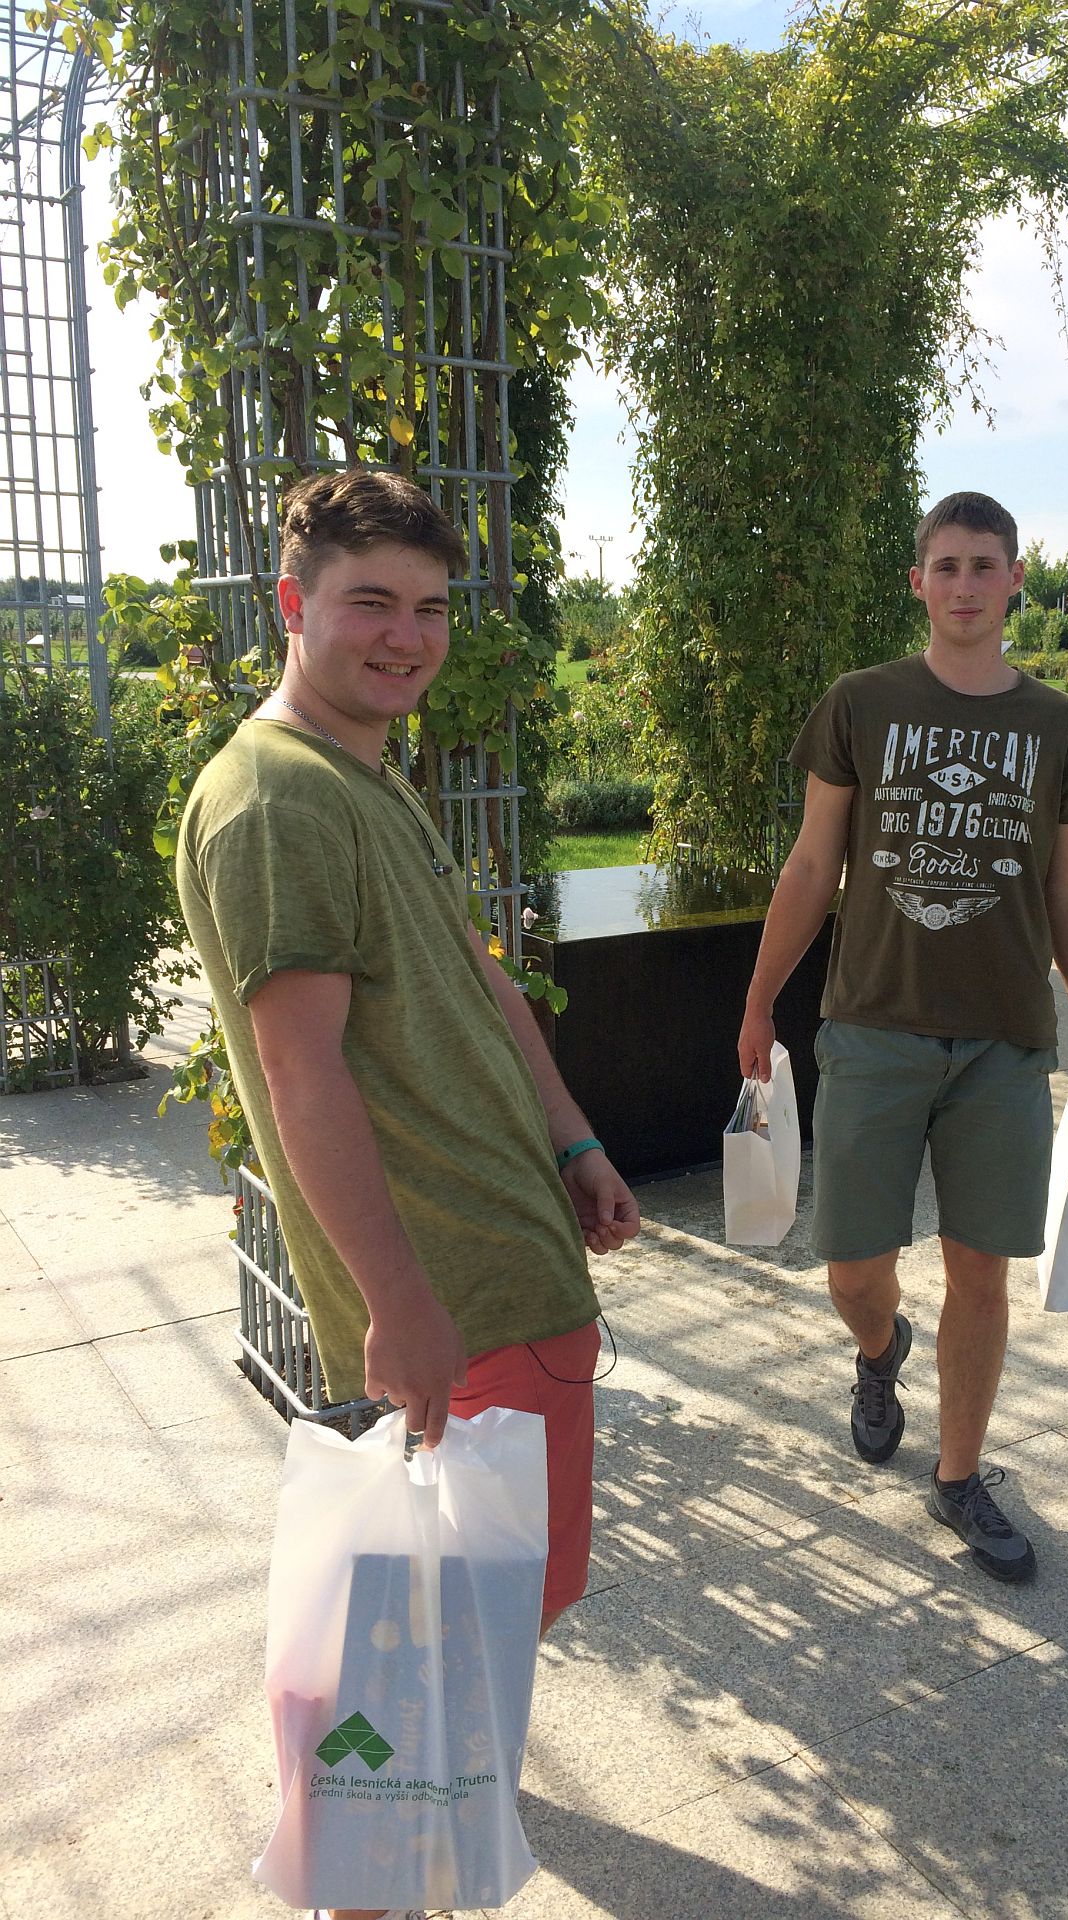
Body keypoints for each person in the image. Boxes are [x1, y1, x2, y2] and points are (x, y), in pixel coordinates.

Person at [177, 468, 639, 1920]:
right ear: (291, 602)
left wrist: (572, 1139)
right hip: (466, 1292)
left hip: (505, 1257)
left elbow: (477, 978)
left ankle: (419, 1821)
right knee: (443, 1632)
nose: (406, 636)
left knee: (472, 1612)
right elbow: (299, 1069)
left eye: (429, 608)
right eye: (370, 602)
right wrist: (400, 1301)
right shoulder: (275, 799)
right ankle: (373, 1880)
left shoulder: (361, 771)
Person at [737, 490, 1068, 1584]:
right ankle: (880, 1349)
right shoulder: (862, 703)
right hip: (872, 1029)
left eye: (984, 565)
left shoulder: (1058, 724)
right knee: (853, 1269)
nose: (964, 585)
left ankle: (959, 1478)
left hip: (1003, 1041)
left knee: (980, 1273)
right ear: (918, 581)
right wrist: (759, 1001)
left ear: (1015, 581)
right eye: (945, 565)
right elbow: (814, 862)